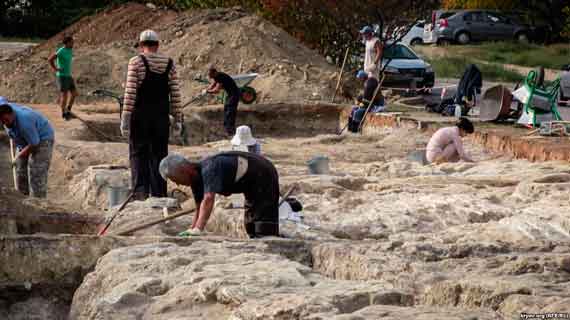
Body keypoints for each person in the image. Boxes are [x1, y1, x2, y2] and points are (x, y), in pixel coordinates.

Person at [121, 30, 183, 200]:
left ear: (141, 45)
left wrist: (125, 119)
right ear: (157, 45)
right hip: (160, 119)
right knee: (159, 155)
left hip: (140, 118)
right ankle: (159, 194)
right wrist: (178, 118)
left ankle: (140, 193)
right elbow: (176, 94)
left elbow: (130, 93)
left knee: (138, 154)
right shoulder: (169, 63)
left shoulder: (136, 62)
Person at [159, 152, 280, 238]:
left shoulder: (210, 167)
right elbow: (199, 206)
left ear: (183, 170)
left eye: (175, 179)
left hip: (264, 174)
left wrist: (198, 229)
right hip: (250, 183)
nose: (177, 184)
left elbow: (208, 199)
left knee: (263, 224)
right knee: (250, 225)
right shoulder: (195, 179)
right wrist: (191, 229)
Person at [0, 97, 54, 198]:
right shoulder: (3, 108)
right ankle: (22, 199)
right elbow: (1, 98)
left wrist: (20, 155)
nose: (5, 124)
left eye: (6, 120)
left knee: (36, 172)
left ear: (12, 114)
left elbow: (34, 143)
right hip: (24, 139)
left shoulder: (24, 122)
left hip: (42, 139)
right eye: (2, 122)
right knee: (19, 169)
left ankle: (38, 202)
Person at [48, 35, 77, 121]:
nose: (73, 43)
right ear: (67, 43)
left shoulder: (70, 50)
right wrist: (56, 68)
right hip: (62, 76)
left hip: (68, 75)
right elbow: (50, 59)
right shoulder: (61, 50)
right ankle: (64, 114)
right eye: (72, 42)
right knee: (64, 96)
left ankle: (68, 110)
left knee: (75, 93)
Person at [205, 67, 240, 136]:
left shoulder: (221, 77)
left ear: (214, 73)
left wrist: (208, 92)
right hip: (230, 94)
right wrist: (206, 90)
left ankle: (231, 131)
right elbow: (213, 84)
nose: (211, 77)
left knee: (230, 112)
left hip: (234, 94)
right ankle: (227, 128)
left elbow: (216, 90)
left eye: (211, 76)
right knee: (226, 109)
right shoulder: (216, 76)